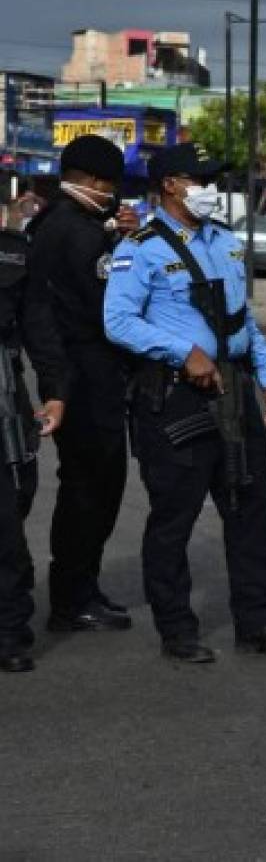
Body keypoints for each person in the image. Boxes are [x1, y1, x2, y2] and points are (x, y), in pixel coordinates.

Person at [104, 143, 266, 663]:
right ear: (170, 185)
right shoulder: (141, 246)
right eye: (201, 180)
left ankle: (258, 623)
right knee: (175, 516)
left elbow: (241, 319)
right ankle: (177, 631)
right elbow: (119, 321)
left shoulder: (225, 241)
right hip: (176, 396)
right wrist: (183, 352)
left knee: (251, 509)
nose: (211, 190)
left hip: (236, 393)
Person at [26, 135, 137, 632]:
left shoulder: (51, 222)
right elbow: (111, 303)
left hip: (71, 372)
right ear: (92, 182)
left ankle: (77, 589)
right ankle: (74, 596)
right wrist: (124, 243)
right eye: (109, 185)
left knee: (86, 485)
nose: (113, 194)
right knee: (93, 486)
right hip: (89, 374)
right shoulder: (80, 232)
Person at [0, 185, 68, 672]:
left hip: (4, 398)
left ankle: (8, 634)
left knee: (11, 512)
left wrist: (54, 390)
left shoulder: (14, 256)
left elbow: (39, 326)